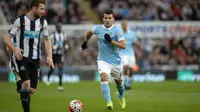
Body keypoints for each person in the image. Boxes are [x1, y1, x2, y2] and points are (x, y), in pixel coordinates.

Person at [4, 0, 54, 112]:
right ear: (34, 8)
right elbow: (6, 38)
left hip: (35, 59)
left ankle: (20, 87)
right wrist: (14, 49)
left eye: (44, 9)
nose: (44, 12)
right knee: (26, 83)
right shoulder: (19, 20)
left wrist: (49, 56)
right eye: (41, 9)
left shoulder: (43, 22)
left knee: (31, 90)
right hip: (21, 57)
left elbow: (46, 39)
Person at [81, 9, 126, 110]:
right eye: (106, 18)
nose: (108, 20)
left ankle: (121, 97)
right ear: (103, 19)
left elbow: (123, 45)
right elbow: (89, 32)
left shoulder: (117, 30)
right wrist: (85, 42)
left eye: (110, 18)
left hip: (116, 62)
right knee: (103, 77)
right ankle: (109, 102)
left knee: (118, 82)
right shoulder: (98, 28)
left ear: (113, 19)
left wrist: (111, 41)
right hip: (103, 60)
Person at [46, 23, 67, 91]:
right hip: (53, 53)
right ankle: (48, 79)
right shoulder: (53, 35)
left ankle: (60, 85)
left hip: (60, 54)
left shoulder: (64, 34)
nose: (59, 28)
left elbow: (65, 42)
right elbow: (49, 43)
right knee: (52, 68)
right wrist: (53, 47)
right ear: (56, 28)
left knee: (60, 67)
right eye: (58, 27)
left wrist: (66, 47)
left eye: (60, 27)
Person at [120, 21, 138, 90]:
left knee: (131, 69)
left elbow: (135, 41)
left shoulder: (132, 33)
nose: (123, 26)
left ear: (126, 25)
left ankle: (128, 84)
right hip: (123, 53)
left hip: (131, 53)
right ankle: (124, 84)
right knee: (126, 67)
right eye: (122, 25)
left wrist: (138, 42)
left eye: (124, 24)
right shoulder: (120, 34)